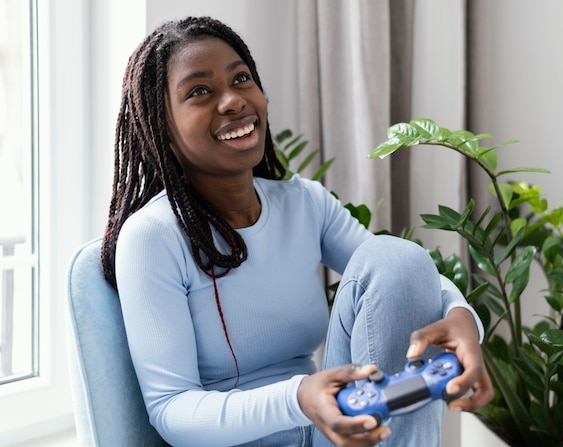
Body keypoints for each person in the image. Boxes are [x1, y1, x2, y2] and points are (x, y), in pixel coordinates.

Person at [101, 16, 493, 447]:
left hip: (333, 429)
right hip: (250, 435)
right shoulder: (152, 236)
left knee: (397, 257)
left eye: (242, 78)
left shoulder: (304, 203)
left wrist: (462, 318)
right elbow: (172, 410)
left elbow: (401, 276)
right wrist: (299, 397)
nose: (232, 100)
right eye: (199, 91)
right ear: (162, 128)